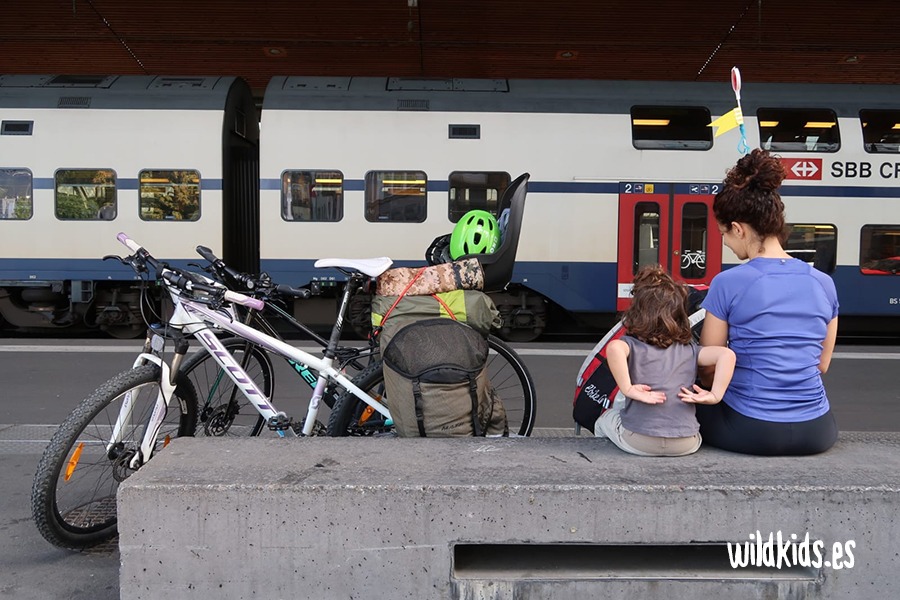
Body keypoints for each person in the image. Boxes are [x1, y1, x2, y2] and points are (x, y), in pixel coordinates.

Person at [696, 148, 839, 456]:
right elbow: (821, 364)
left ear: (738, 228)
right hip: (817, 430)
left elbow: (708, 367)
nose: (725, 241)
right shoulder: (824, 284)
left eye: (724, 233)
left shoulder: (727, 282)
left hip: (750, 429)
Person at [596, 265, 736, 457]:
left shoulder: (631, 345)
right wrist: (714, 395)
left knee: (606, 419)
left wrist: (628, 388)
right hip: (686, 443)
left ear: (637, 313)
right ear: (680, 315)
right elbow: (727, 355)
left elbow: (614, 349)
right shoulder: (691, 351)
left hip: (639, 441)